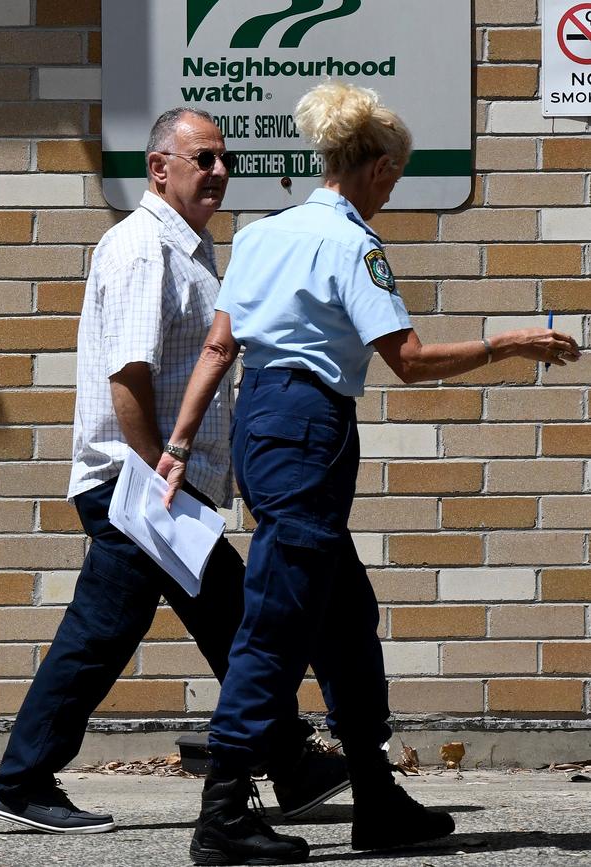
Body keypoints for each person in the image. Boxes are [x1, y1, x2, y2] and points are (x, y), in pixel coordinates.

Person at [158, 80, 581, 865]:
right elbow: (409, 361)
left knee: (343, 613)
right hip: (309, 428)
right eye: (395, 177)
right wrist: (508, 343)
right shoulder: (353, 243)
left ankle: (377, 794)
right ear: (379, 167)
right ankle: (222, 815)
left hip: (261, 420)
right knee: (280, 612)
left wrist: (180, 445)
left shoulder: (258, 235)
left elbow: (220, 348)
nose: (392, 190)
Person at [0, 108, 349, 836]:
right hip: (139, 482)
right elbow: (129, 375)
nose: (218, 171)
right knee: (108, 630)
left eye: (224, 159)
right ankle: (22, 777)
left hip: (162, 483)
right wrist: (160, 469)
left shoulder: (188, 248)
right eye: (202, 159)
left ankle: (287, 758)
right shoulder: (144, 247)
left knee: (233, 617)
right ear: (159, 168)